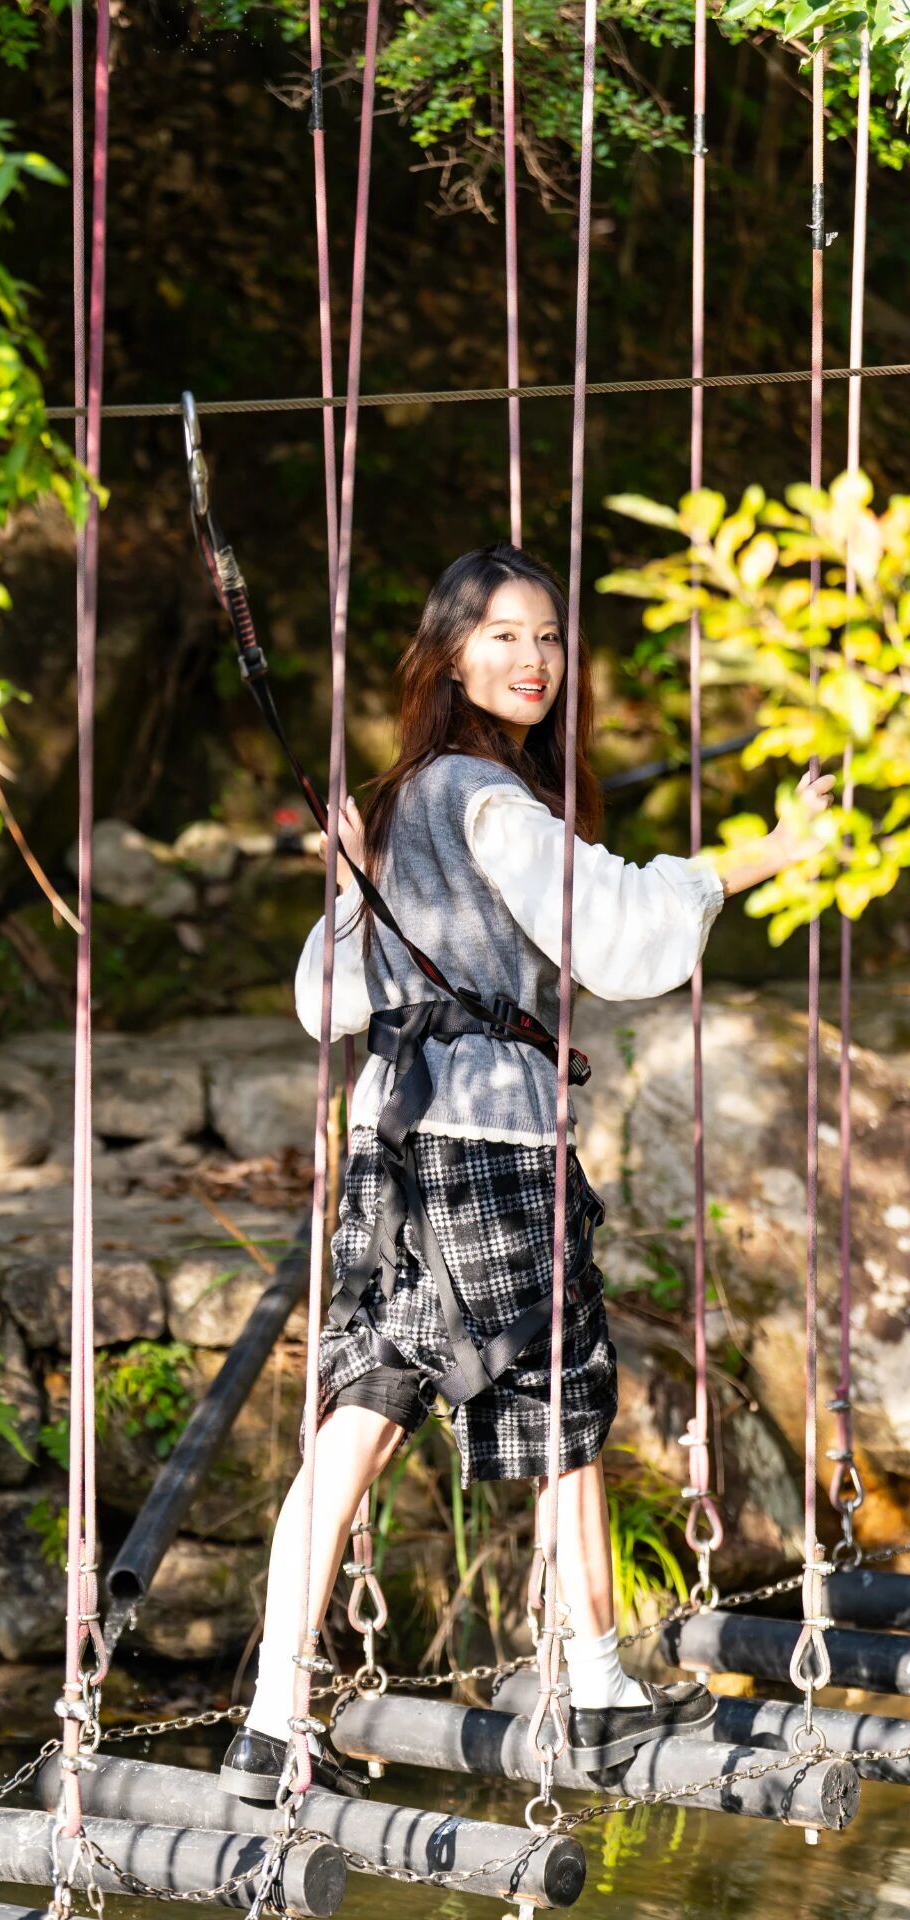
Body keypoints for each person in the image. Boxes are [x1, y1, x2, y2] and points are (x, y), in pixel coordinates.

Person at [219, 542, 835, 1801]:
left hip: (393, 1148)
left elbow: (326, 1001)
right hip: (491, 1146)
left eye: (548, 635)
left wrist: (350, 882)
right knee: (560, 1407)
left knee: (358, 1420)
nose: (533, 657)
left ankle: (271, 1723)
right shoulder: (486, 800)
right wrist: (762, 855)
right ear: (449, 656)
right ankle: (597, 1686)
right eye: (501, 634)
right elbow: (611, 929)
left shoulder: (400, 802)